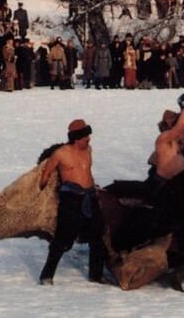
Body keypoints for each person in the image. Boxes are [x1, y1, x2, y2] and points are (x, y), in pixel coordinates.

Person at [38, 119, 105, 285]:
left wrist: (94, 187)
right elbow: (45, 175)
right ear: (76, 138)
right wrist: (43, 196)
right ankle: (47, 275)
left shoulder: (88, 150)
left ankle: (95, 275)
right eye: (85, 137)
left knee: (98, 236)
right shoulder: (60, 154)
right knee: (62, 239)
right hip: (71, 200)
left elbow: (87, 171)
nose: (89, 139)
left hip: (90, 197)